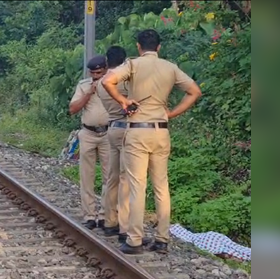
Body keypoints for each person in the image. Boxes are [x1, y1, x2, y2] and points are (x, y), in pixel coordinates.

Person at [102, 29, 202, 255]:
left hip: (138, 131)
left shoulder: (133, 64)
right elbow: (195, 91)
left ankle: (135, 239)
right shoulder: (170, 67)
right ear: (159, 47)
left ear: (138, 46)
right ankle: (162, 238)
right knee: (161, 186)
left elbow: (109, 80)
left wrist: (123, 100)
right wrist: (171, 114)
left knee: (138, 186)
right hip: (161, 132)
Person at [69, 55, 110, 230]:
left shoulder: (113, 83)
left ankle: (105, 215)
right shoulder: (84, 85)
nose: (96, 76)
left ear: (106, 70)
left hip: (108, 133)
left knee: (110, 176)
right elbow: (72, 109)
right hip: (88, 132)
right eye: (93, 73)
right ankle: (89, 214)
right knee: (87, 175)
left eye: (99, 73)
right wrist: (89, 93)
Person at [96, 46, 130, 243]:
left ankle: (109, 221)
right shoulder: (123, 82)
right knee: (126, 178)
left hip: (111, 128)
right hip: (126, 129)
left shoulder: (101, 83)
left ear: (107, 62)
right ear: (124, 62)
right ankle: (125, 227)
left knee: (112, 177)